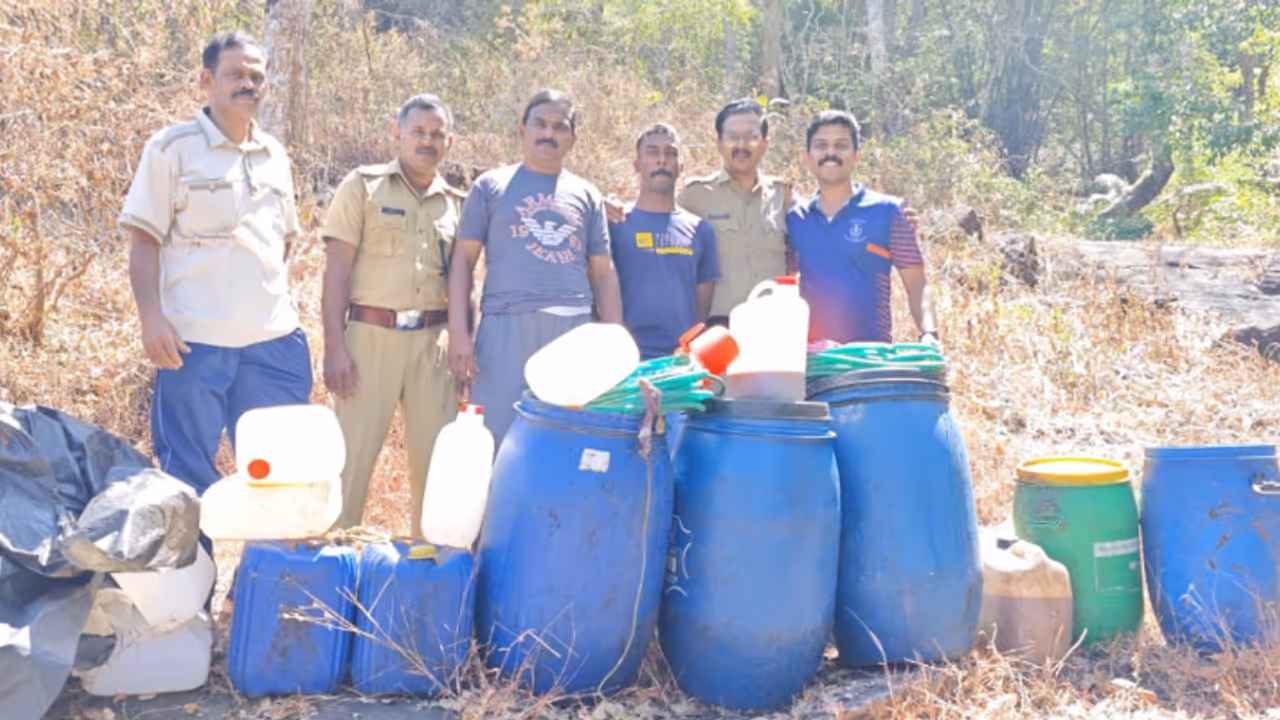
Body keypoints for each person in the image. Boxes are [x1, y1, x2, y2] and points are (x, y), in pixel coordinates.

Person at [119, 31, 312, 500]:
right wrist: (152, 319)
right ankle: (196, 573)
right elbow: (144, 241)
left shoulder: (275, 155)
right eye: (235, 74)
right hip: (194, 343)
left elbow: (281, 242)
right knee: (187, 473)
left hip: (272, 341)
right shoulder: (171, 149)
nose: (248, 84)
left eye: (256, 76)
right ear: (207, 80)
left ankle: (266, 574)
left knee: (280, 473)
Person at [319, 94, 465, 533]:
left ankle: (426, 567)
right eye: (418, 131)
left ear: (450, 141)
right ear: (396, 133)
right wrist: (334, 348)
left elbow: (464, 285)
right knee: (349, 461)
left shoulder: (458, 203)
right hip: (370, 337)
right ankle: (333, 563)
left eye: (437, 134)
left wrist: (463, 345)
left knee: (436, 465)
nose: (427, 141)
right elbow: (336, 272)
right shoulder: (362, 187)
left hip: (433, 344)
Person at [447, 89, 624, 445]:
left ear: (572, 139)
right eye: (540, 124)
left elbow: (603, 273)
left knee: (569, 442)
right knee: (494, 439)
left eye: (560, 127)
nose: (549, 134)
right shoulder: (490, 187)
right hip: (504, 327)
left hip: (572, 330)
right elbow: (463, 262)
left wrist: (615, 343)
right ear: (521, 130)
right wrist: (460, 336)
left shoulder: (587, 194)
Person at [786, 110, 939, 347]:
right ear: (807, 157)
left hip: (871, 360)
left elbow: (917, 284)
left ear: (856, 156)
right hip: (814, 360)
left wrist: (929, 334)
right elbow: (779, 283)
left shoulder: (888, 211)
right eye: (821, 145)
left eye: (841, 145)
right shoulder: (796, 219)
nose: (830, 153)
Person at [609, 123, 719, 359]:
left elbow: (701, 308)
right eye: (652, 153)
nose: (662, 160)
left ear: (680, 166)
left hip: (680, 362)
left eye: (670, 154)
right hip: (626, 360)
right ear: (636, 165)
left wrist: (686, 352)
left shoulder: (702, 231)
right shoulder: (616, 224)